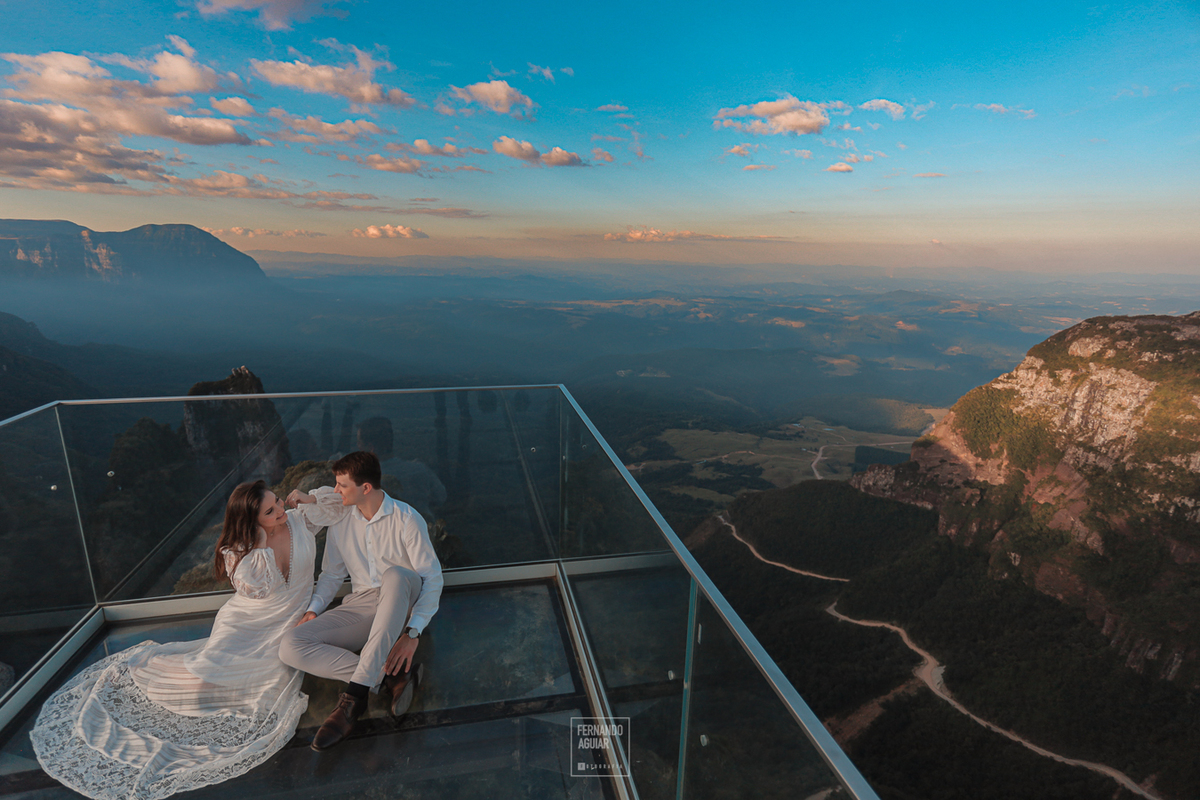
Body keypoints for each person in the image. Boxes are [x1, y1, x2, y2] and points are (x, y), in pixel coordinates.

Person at [30, 481, 326, 800]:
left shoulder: (299, 519)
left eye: (278, 501)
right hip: (246, 625)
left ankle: (166, 674)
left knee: (261, 688)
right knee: (203, 685)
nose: (281, 510)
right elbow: (258, 589)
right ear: (252, 522)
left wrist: (308, 499)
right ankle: (139, 673)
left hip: (285, 624)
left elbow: (338, 505)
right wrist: (261, 541)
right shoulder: (245, 553)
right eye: (270, 511)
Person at [280, 450, 442, 751]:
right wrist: (314, 610)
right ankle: (391, 676)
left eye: (342, 485)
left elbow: (432, 578)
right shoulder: (341, 522)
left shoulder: (406, 518)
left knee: (394, 574)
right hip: (363, 604)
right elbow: (330, 575)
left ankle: (354, 698)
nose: (336, 491)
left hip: (403, 599)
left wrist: (412, 633)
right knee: (290, 645)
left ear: (365, 488)